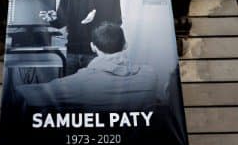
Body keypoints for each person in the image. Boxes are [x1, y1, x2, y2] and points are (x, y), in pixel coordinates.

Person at [17, 23, 159, 110]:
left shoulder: (82, 81)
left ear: (93, 47)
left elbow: (32, 95)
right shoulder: (151, 75)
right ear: (125, 44)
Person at [40, 0, 121, 75]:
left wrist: (97, 18)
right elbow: (61, 21)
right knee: (69, 91)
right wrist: (51, 18)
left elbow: (117, 23)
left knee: (95, 93)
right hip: (72, 51)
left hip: (98, 54)